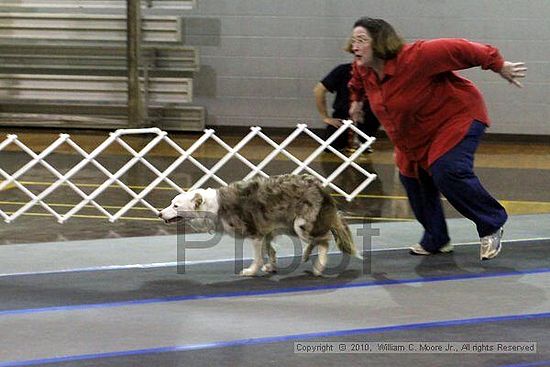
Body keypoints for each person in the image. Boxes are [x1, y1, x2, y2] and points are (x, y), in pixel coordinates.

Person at [348, 17, 526, 260]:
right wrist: (357, 100)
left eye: (362, 40)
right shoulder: (363, 68)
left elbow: (463, 48)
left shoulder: (418, 56)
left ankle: (491, 223)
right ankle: (436, 239)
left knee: (447, 169)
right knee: (412, 178)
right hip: (413, 135)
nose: (355, 46)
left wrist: (499, 65)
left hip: (455, 117)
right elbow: (357, 81)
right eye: (353, 40)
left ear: (379, 42)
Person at [314, 44, 380, 153]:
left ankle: (362, 143)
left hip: (367, 119)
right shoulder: (342, 70)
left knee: (364, 150)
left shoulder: (378, 73)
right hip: (342, 119)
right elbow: (318, 90)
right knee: (330, 148)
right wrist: (325, 117)